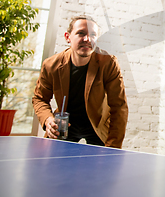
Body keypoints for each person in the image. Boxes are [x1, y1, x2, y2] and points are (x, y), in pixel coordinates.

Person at [32, 15, 128, 148]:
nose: (87, 39)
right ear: (68, 37)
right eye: (81, 33)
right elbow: (39, 98)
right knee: (51, 164)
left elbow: (119, 106)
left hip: (98, 125)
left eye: (93, 35)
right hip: (65, 125)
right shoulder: (51, 65)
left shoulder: (108, 63)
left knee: (103, 167)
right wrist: (48, 119)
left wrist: (113, 147)